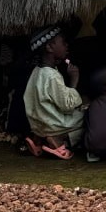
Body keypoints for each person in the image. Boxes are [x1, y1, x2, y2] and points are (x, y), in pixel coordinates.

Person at [22, 26, 84, 160]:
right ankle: (60, 140)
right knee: (87, 117)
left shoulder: (37, 71)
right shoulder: (52, 76)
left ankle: (38, 139)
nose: (67, 45)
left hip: (38, 125)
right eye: (63, 42)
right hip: (53, 124)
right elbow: (68, 104)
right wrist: (74, 80)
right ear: (50, 47)